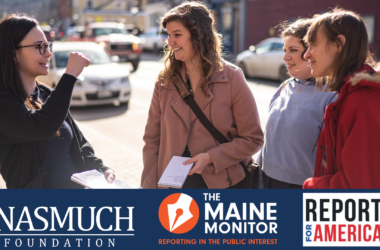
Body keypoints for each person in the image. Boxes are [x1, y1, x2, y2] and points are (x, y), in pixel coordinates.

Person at [141, 1, 264, 189]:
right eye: (169, 35)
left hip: (224, 183)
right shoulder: (165, 80)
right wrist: (148, 188)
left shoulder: (232, 77)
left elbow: (252, 139)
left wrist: (211, 158)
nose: (170, 42)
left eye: (177, 35)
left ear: (198, 36)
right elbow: (152, 141)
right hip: (174, 186)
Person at [0, 14, 115, 189]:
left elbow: (80, 144)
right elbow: (41, 127)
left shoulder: (47, 94)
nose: (48, 53)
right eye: (39, 47)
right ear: (13, 54)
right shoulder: (4, 102)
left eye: (48, 45)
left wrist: (100, 168)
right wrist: (69, 77)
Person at [302, 8, 380, 189]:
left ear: (339, 44)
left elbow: (360, 190)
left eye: (312, 45)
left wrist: (310, 187)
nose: (307, 55)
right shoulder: (353, 96)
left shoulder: (360, 103)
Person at [257, 18, 337, 189]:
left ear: (313, 51)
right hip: (267, 180)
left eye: (293, 50)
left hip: (302, 186)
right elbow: (270, 140)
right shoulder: (284, 86)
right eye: (285, 50)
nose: (285, 57)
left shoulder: (332, 95)